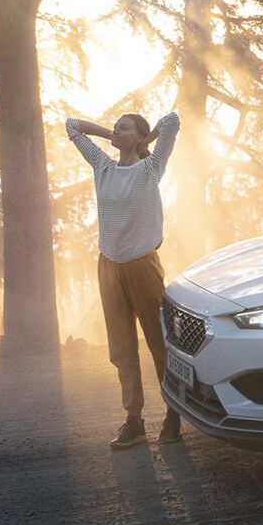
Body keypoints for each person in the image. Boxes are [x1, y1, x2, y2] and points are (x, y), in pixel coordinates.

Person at [65, 110, 182, 449]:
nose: (116, 130)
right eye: (116, 126)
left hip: (143, 266)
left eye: (124, 127)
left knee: (158, 343)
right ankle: (134, 420)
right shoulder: (103, 167)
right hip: (109, 267)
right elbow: (72, 126)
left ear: (140, 135)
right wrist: (109, 134)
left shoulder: (150, 168)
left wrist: (148, 140)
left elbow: (172, 120)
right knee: (121, 348)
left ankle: (173, 413)